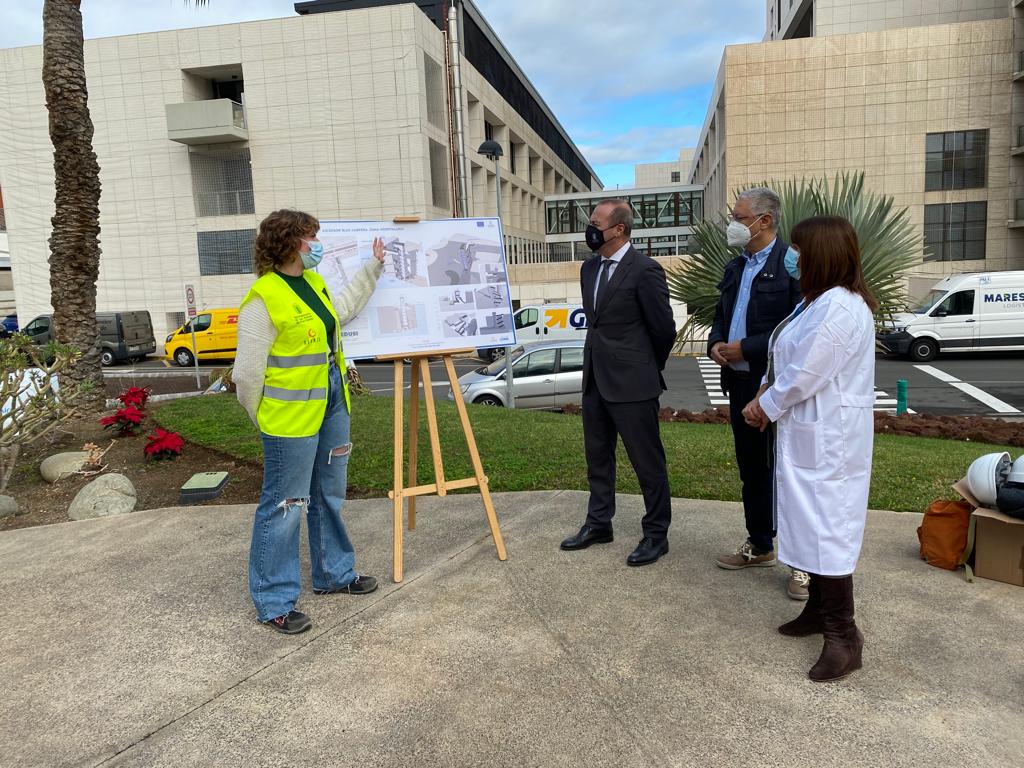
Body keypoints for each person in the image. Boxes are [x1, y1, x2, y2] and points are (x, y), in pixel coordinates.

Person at [234, 209, 385, 634]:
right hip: (290, 419)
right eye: (309, 237)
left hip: (332, 403)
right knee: (285, 506)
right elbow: (246, 374)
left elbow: (343, 310)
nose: (316, 243)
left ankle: (335, 574)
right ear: (288, 243)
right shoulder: (265, 297)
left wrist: (373, 267)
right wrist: (263, 417)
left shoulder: (313, 283)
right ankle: (274, 600)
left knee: (329, 493)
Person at [742, 215, 877, 682]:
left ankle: (844, 636)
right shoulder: (813, 302)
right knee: (807, 523)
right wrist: (763, 389)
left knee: (829, 528)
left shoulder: (841, 307)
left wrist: (766, 406)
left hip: (830, 440)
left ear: (821, 253)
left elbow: (807, 374)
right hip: (806, 434)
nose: (792, 257)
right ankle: (819, 610)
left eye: (799, 249)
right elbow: (784, 353)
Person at [559, 199, 676, 566]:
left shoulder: (645, 270)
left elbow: (663, 329)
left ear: (619, 229)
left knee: (647, 463)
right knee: (597, 457)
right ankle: (599, 523)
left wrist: (643, 367)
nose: (589, 229)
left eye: (595, 223)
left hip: (634, 384)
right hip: (595, 379)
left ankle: (656, 534)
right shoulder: (588, 269)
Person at [707, 187, 806, 599]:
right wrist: (716, 343)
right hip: (741, 383)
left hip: (778, 384)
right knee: (751, 467)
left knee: (789, 473)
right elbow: (720, 315)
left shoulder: (793, 266)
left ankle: (804, 566)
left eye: (739, 216)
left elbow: (798, 326)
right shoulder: (736, 267)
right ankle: (760, 544)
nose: (733, 223)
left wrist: (745, 347)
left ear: (764, 221)